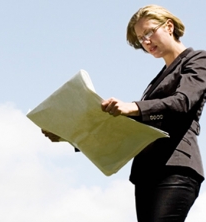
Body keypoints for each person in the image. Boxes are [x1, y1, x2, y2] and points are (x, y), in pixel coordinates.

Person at [42, 4, 206, 222]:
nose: (146, 42)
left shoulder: (198, 59)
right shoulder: (154, 83)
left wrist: (134, 107)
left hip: (175, 169)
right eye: (141, 39)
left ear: (169, 26)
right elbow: (129, 132)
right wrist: (71, 135)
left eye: (149, 32)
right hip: (146, 175)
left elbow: (182, 103)